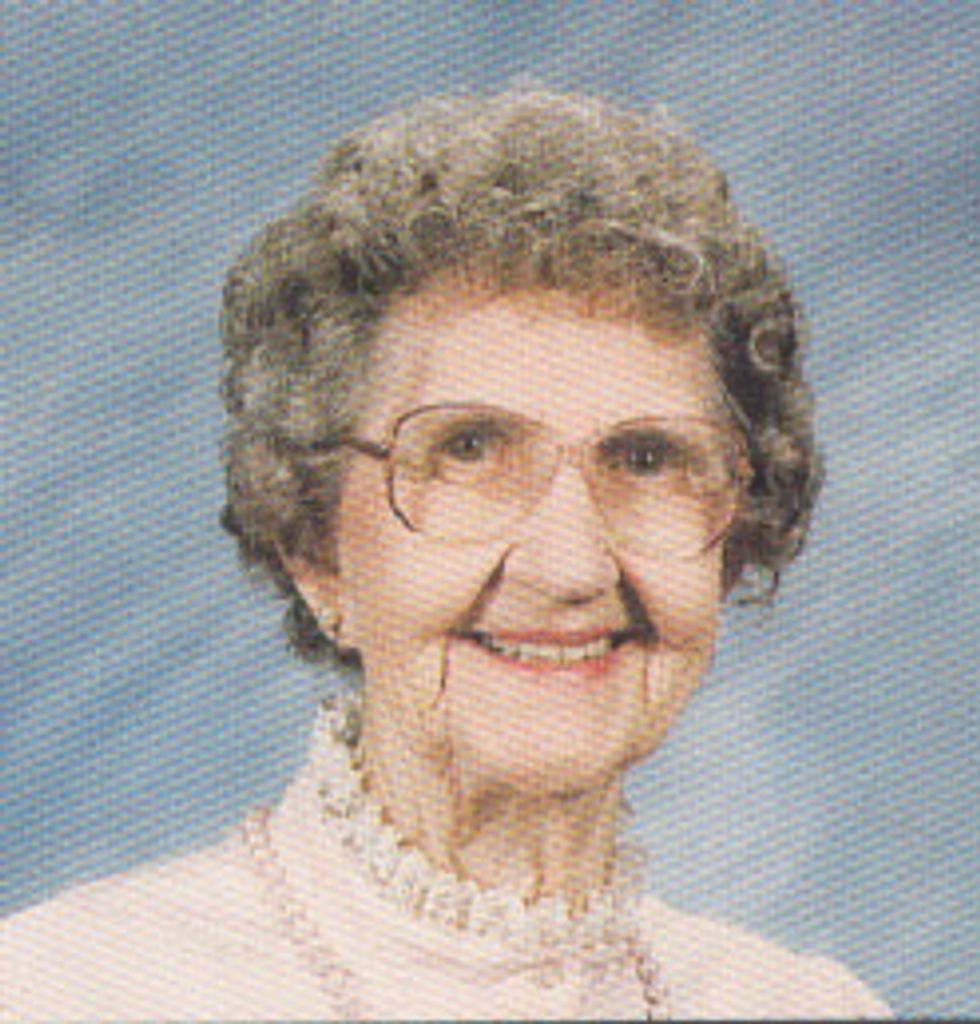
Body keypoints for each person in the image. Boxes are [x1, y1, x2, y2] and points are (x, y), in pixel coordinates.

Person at [1, 88, 891, 1020]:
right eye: (469, 451)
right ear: (313, 543)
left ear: (735, 540)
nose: (571, 567)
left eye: (646, 460)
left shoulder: (805, 1006)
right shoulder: (62, 991)